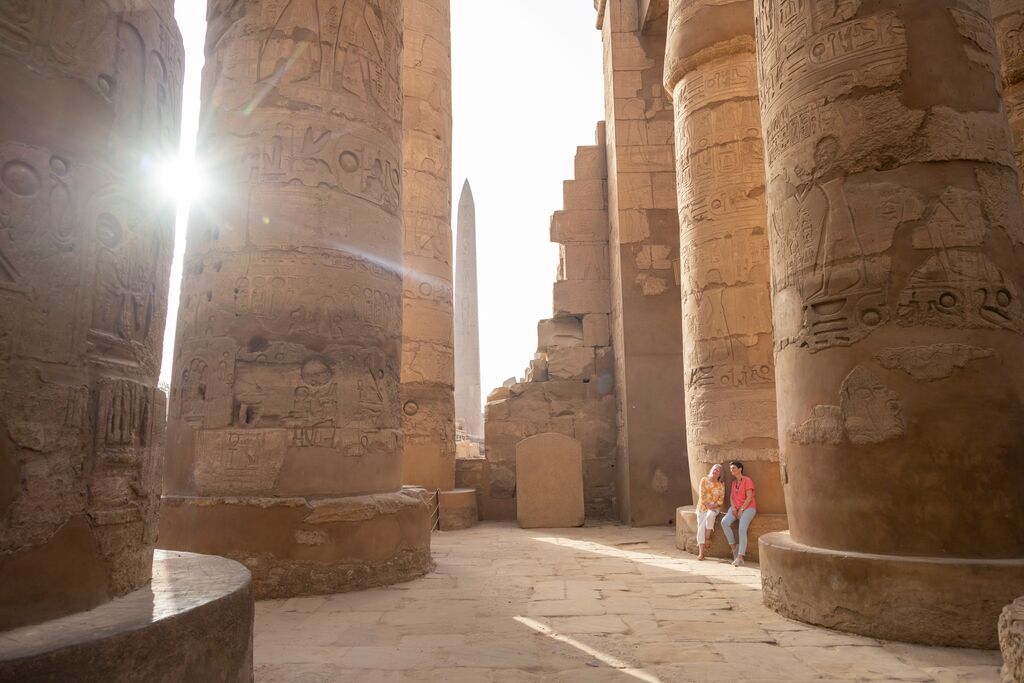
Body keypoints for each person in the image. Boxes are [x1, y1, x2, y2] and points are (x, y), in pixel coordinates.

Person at [721, 460, 756, 567]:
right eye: (731, 469)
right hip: (735, 508)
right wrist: (734, 508)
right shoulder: (734, 482)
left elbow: (749, 497)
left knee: (742, 528)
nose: (732, 470)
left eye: (734, 468)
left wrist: (741, 509)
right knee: (724, 522)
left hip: (748, 508)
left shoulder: (747, 480)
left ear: (740, 469)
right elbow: (732, 497)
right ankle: (734, 548)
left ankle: (740, 557)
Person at [695, 463, 725, 561]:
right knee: (700, 528)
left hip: (714, 508)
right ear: (711, 470)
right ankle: (701, 553)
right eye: (714, 469)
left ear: (720, 474)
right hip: (702, 507)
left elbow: (721, 499)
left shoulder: (721, 485)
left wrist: (714, 506)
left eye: (718, 470)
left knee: (710, 515)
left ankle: (707, 537)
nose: (715, 471)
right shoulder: (704, 480)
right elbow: (701, 494)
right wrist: (708, 505)